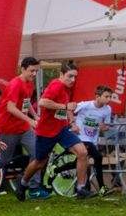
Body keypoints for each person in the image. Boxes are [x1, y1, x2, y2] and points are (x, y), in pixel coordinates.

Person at [28, 62, 92, 198]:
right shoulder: (56, 85)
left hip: (62, 129)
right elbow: (42, 102)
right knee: (40, 162)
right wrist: (65, 106)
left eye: (75, 77)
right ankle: (23, 182)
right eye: (70, 76)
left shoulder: (69, 88)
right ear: (61, 74)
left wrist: (72, 122)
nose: (73, 80)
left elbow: (68, 106)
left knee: (82, 152)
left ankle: (81, 188)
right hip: (46, 131)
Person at [0, 57, 42, 199]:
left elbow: (26, 102)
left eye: (36, 71)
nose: (34, 74)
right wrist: (30, 120)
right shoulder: (15, 84)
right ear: (23, 69)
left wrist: (35, 116)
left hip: (23, 128)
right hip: (8, 128)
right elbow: (10, 108)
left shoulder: (29, 83)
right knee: (4, 159)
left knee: (38, 154)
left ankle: (33, 188)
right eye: (32, 71)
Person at [72, 84, 116, 194]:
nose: (109, 99)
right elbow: (69, 111)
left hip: (92, 139)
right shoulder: (85, 105)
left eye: (110, 97)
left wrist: (103, 127)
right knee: (98, 157)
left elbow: (106, 126)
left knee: (83, 162)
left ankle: (81, 188)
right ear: (97, 96)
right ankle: (101, 188)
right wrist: (73, 124)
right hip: (80, 137)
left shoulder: (107, 109)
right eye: (106, 96)